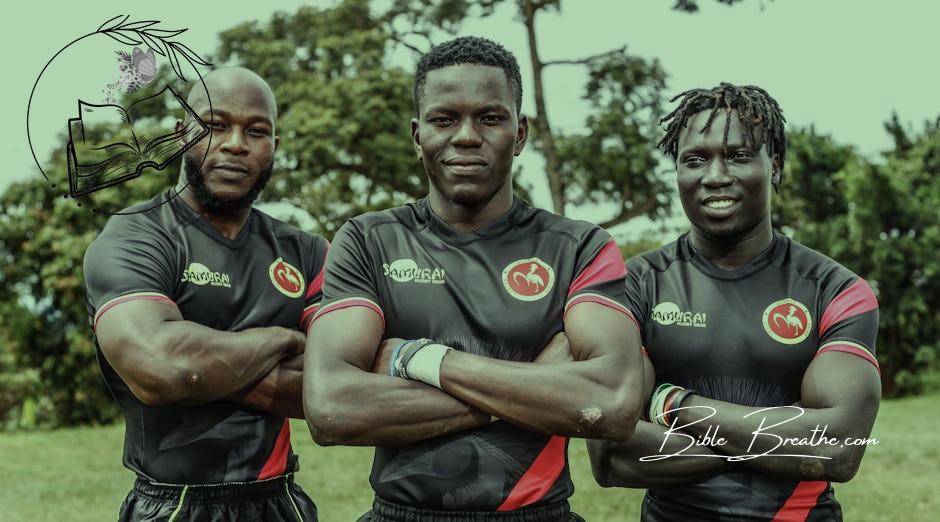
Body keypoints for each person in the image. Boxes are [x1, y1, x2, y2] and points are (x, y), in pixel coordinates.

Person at [303, 36, 646, 522]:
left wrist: (414, 358)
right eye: (444, 119)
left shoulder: (579, 248)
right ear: (417, 134)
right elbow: (332, 408)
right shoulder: (367, 241)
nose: (466, 136)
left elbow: (611, 404)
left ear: (521, 132)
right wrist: (540, 386)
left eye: (489, 117)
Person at [587, 83, 881, 521]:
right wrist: (780, 431)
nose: (716, 175)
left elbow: (836, 450)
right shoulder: (635, 286)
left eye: (739, 156)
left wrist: (671, 405)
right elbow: (613, 455)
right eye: (695, 159)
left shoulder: (836, 290)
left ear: (775, 167)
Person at [83, 67, 322, 521]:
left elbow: (339, 384)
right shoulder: (136, 237)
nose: (235, 144)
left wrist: (205, 358)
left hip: (281, 503)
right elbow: (164, 367)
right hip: (172, 504)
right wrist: (285, 340)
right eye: (214, 126)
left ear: (275, 146)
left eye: (256, 131)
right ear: (180, 133)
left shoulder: (306, 252)